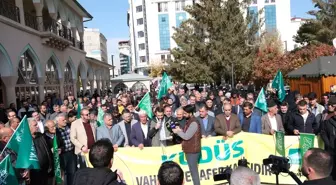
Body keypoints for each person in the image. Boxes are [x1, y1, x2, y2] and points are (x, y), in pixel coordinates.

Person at [172, 105, 201, 185]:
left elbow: (187, 136)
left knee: (194, 172)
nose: (184, 115)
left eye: (185, 113)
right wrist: (180, 130)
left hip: (192, 151)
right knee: (193, 171)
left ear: (190, 113)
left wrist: (177, 131)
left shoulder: (194, 122)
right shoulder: (189, 121)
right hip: (190, 149)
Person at [29, 118, 54, 185]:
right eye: (35, 125)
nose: (37, 126)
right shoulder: (26, 139)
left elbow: (47, 148)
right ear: (29, 127)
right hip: (34, 171)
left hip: (45, 169)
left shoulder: (40, 135)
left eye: (37, 124)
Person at [55, 113, 77, 185]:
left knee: (72, 172)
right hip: (63, 154)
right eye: (63, 120)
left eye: (65, 119)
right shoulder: (56, 130)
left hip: (71, 152)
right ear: (58, 121)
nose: (65, 121)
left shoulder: (69, 126)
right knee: (64, 173)